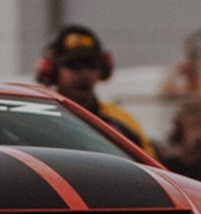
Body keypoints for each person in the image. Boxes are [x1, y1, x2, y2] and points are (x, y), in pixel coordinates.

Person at [38, 25, 156, 158]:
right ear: (52, 71)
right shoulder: (38, 120)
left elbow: (151, 168)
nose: (84, 73)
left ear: (102, 69)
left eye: (91, 64)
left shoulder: (123, 123)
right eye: (73, 65)